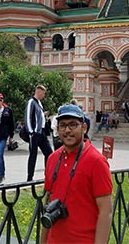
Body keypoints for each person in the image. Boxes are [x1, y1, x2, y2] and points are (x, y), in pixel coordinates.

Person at [39, 104, 112, 244]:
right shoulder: (53, 159)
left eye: (73, 125)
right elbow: (48, 202)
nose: (67, 130)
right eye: (62, 125)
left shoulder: (96, 161)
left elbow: (106, 212)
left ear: (83, 127)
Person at [26, 84, 54, 182]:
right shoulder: (31, 102)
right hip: (35, 133)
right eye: (43, 93)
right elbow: (28, 117)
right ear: (38, 92)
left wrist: (43, 114)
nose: (44, 95)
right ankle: (30, 177)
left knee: (49, 153)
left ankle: (48, 174)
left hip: (41, 132)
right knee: (33, 154)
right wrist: (31, 132)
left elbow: (39, 116)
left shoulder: (39, 103)